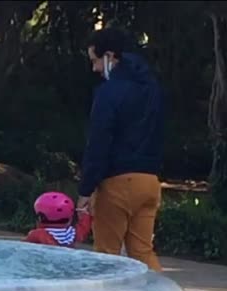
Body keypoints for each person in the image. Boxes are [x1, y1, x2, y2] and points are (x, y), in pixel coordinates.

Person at [76, 26, 165, 271]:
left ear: (110, 56)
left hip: (117, 184)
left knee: (106, 256)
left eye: (95, 61)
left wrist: (85, 191)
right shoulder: (152, 89)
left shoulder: (109, 93)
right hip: (149, 182)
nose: (94, 68)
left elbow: (99, 143)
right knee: (142, 253)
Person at [25, 191, 93, 248]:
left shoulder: (36, 235)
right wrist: (85, 213)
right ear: (70, 219)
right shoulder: (73, 234)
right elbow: (84, 227)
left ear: (40, 218)